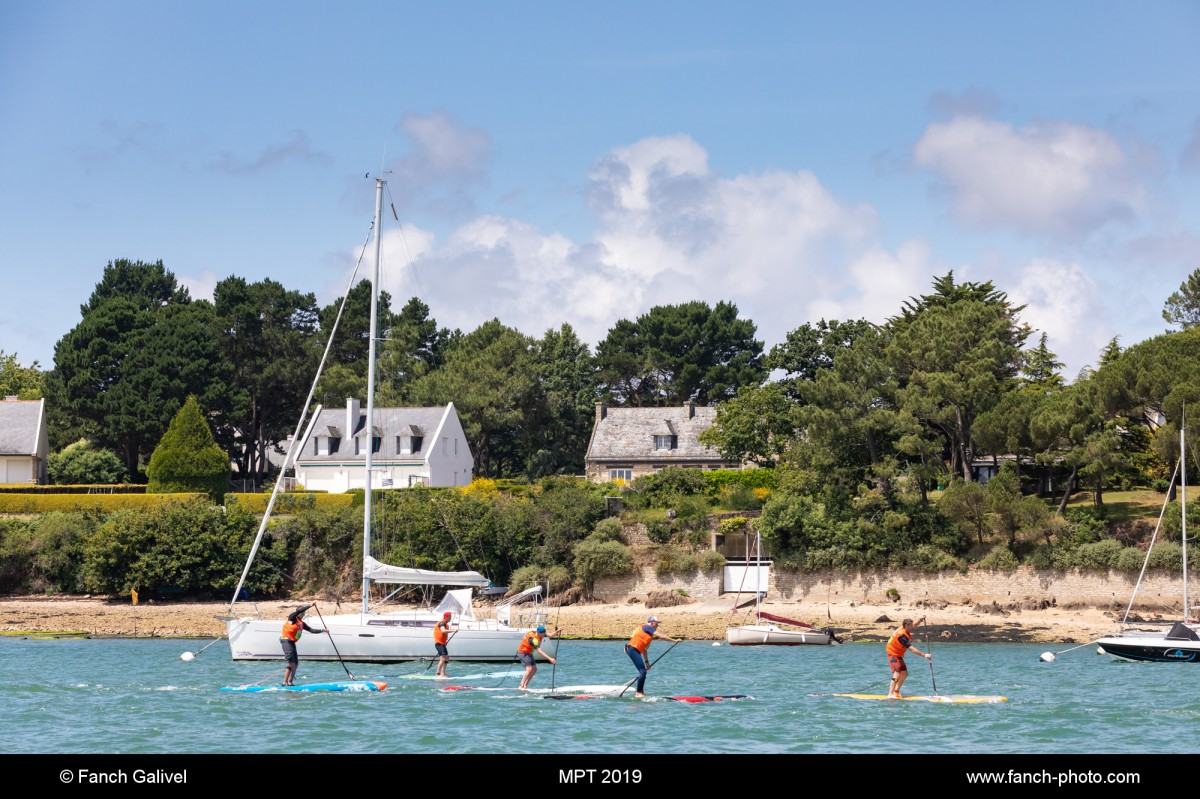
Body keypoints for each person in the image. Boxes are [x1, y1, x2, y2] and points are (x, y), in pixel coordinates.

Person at [625, 615, 680, 698]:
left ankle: (640, 691)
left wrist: (647, 662)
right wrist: (674, 640)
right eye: (656, 623)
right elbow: (661, 636)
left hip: (635, 651)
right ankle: (639, 693)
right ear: (651, 623)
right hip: (632, 650)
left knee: (643, 671)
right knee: (643, 671)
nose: (657, 625)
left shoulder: (648, 635)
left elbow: (644, 650)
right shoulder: (647, 627)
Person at [279, 603, 327, 686]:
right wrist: (310, 605)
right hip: (286, 640)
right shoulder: (292, 617)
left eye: (304, 613)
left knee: (296, 664)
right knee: (291, 663)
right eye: (302, 613)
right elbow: (300, 610)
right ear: (299, 612)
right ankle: (284, 682)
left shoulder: (302, 623)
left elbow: (311, 630)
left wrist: (323, 630)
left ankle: (290, 682)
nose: (303, 614)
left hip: (292, 642)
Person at [885, 616, 930, 699]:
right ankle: (890, 694)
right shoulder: (902, 636)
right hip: (892, 654)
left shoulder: (903, 627)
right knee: (897, 673)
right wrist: (924, 655)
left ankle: (896, 692)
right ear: (906, 626)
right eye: (910, 626)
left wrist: (920, 620)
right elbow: (911, 649)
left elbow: (915, 625)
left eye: (912, 626)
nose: (912, 628)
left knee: (905, 673)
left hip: (898, 655)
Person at [516, 624, 558, 690]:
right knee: (529, 669)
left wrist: (557, 631)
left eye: (544, 633)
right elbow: (539, 651)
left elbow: (550, 635)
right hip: (523, 652)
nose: (544, 635)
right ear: (539, 633)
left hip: (529, 653)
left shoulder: (539, 634)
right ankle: (521, 686)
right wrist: (550, 659)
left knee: (534, 669)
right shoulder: (534, 640)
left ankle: (525, 685)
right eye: (543, 634)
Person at [433, 611, 456, 678]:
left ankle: (443, 673)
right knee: (443, 659)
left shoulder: (446, 624)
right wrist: (453, 630)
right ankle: (437, 674)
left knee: (446, 658)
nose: (450, 619)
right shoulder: (442, 623)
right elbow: (443, 631)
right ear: (446, 617)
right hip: (439, 644)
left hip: (442, 644)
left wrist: (445, 642)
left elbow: (445, 634)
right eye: (450, 617)